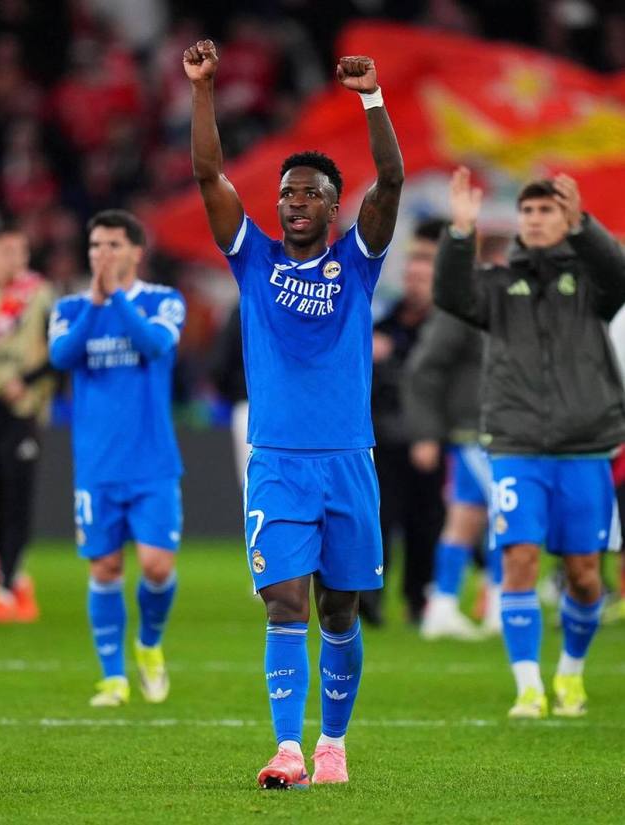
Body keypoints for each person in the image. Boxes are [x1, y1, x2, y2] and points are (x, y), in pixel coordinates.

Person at [184, 40, 403, 787]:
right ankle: (287, 749)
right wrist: (203, 88)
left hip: (348, 462)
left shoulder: (358, 263)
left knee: (339, 611)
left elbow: (392, 179)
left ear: (334, 206)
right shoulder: (254, 259)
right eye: (286, 194)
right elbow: (208, 174)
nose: (294, 202)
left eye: (308, 194)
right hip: (277, 461)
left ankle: (332, 744)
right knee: (284, 602)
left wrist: (371, 98)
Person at [435, 166, 625, 718]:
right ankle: (528, 687)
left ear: (566, 219)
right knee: (518, 556)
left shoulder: (590, 284)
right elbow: (450, 294)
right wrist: (460, 233)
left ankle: (570, 672)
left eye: (547, 210)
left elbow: (619, 276)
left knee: (584, 575)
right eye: (528, 211)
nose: (536, 219)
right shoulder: (497, 286)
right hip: (516, 446)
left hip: (584, 448)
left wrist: (586, 225)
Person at [49, 209, 186, 708]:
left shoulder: (163, 301)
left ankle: (148, 643)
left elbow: (154, 346)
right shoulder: (70, 308)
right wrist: (96, 302)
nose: (101, 254)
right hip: (97, 466)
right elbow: (61, 357)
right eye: (95, 246)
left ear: (135, 251)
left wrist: (117, 298)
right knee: (105, 568)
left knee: (156, 567)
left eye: (112, 245)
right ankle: (113, 679)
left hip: (153, 464)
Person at [409, 234, 510, 641]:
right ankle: (502, 604)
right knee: (507, 511)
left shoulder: (512, 306)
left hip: (498, 429)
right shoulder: (465, 306)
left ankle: (443, 605)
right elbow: (424, 368)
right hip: (475, 430)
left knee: (465, 519)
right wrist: (426, 432)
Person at [0, 228, 54, 623]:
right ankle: (12, 575)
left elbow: (59, 349)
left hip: (21, 409)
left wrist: (29, 381)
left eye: (22, 251)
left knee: (17, 495)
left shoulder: (40, 295)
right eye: (6, 251)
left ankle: (6, 583)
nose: (15, 259)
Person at [361, 219, 446, 627]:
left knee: (424, 524)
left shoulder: (443, 329)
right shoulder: (383, 324)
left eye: (422, 278)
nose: (414, 284)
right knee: (379, 519)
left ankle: (418, 598)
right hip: (382, 436)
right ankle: (369, 597)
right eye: (411, 276)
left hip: (426, 437)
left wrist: (433, 433)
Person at [209, 303, 250, 488]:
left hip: (248, 406)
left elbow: (220, 365)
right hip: (294, 407)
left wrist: (231, 392)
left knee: (252, 482)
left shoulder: (243, 309)